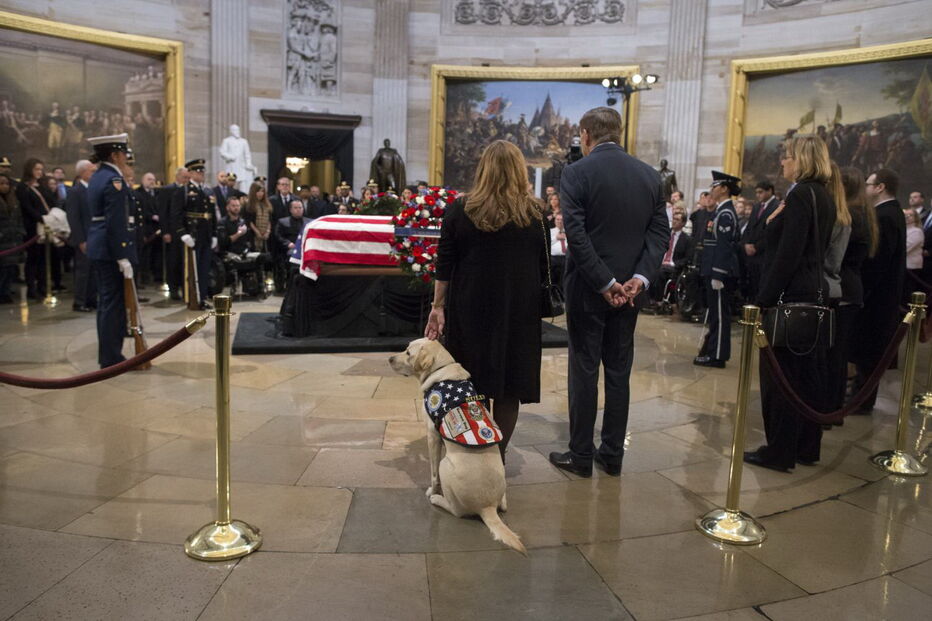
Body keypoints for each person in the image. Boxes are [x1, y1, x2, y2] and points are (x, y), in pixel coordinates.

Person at [548, 106, 668, 477]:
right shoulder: (650, 176)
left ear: (585, 134)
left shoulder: (576, 172)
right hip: (631, 291)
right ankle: (613, 453)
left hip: (588, 288)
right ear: (620, 132)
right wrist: (639, 279)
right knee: (618, 369)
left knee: (584, 368)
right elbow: (659, 233)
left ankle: (581, 455)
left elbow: (577, 235)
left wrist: (604, 282)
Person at [426, 140, 547, 463]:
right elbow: (542, 265)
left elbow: (445, 264)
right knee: (509, 389)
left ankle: (475, 451)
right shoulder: (535, 213)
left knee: (472, 384)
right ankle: (498, 456)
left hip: (471, 310)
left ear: (483, 170)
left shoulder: (460, 210)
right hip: (518, 310)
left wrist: (438, 307)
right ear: (520, 171)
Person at [745, 135, 837, 473]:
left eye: (787, 156)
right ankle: (806, 447)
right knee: (806, 377)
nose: (783, 162)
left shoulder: (800, 195)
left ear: (801, 159)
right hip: (812, 292)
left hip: (789, 296)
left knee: (780, 379)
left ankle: (779, 451)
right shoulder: (824, 196)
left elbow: (788, 254)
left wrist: (763, 299)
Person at [850, 168, 906, 413]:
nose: (866, 188)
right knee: (866, 350)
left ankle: (861, 401)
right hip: (880, 295)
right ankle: (859, 396)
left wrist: (863, 290)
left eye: (869, 184)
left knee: (868, 351)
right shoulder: (891, 212)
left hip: (877, 298)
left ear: (881, 187)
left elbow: (878, 261)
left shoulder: (885, 215)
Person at [827, 168, 877, 418]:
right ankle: (833, 406)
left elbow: (838, 257)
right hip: (851, 288)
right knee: (839, 353)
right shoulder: (862, 213)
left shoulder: (851, 216)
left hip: (845, 289)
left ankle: (831, 408)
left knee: (836, 354)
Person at [85, 133, 137, 368]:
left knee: (107, 302)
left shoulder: (98, 175)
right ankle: (111, 357)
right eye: (124, 153)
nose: (126, 158)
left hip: (99, 245)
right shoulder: (113, 179)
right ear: (115, 155)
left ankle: (109, 354)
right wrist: (121, 254)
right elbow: (115, 221)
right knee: (112, 303)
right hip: (109, 249)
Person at [693, 171, 741, 368]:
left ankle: (718, 355)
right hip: (712, 270)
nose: (712, 189)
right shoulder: (720, 211)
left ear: (724, 189)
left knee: (720, 316)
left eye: (715, 186)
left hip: (718, 272)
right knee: (715, 314)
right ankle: (713, 351)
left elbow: (724, 246)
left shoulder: (726, 213)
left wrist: (719, 273)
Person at [171, 158, 216, 309]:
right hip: (193, 233)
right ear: (190, 173)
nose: (201, 173)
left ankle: (202, 297)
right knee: (192, 268)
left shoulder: (208, 190)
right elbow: (176, 215)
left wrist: (214, 234)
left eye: (203, 171)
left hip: (206, 234)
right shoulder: (183, 190)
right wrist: (183, 233)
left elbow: (212, 214)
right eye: (198, 171)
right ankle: (192, 298)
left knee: (204, 268)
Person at [65, 159, 98, 311]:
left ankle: (91, 299)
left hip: (95, 236)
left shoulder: (93, 189)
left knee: (93, 271)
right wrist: (81, 240)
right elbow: (74, 218)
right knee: (83, 271)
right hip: (84, 237)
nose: (95, 173)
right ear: (83, 173)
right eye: (92, 171)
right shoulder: (75, 191)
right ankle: (79, 301)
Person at [741, 180, 779, 301]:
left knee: (761, 286)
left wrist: (757, 247)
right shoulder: (757, 207)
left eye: (760, 192)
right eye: (756, 192)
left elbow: (771, 232)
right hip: (751, 255)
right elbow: (749, 227)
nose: (758, 195)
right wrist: (746, 243)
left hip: (764, 254)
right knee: (752, 286)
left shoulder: (776, 206)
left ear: (770, 191)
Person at [16, 157, 47, 299]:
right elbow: (27, 207)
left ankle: (43, 286)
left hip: (44, 226)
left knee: (42, 258)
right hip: (31, 227)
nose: (39, 172)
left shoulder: (41, 186)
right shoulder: (23, 187)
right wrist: (41, 218)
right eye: (36, 169)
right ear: (30, 170)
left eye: (41, 169)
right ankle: (31, 288)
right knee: (32, 259)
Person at [159, 166, 189, 300]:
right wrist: (165, 231)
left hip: (185, 232)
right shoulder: (167, 190)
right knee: (173, 261)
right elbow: (163, 212)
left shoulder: (188, 190)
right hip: (172, 231)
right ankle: (173, 288)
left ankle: (185, 287)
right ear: (177, 177)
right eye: (184, 177)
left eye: (188, 178)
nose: (186, 180)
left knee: (184, 261)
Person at [651, 210, 690, 305]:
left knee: (660, 272)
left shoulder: (686, 239)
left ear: (683, 223)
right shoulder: (665, 233)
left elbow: (687, 258)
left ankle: (657, 300)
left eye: (677, 219)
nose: (674, 221)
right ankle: (647, 299)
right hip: (660, 262)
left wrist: (675, 264)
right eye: (673, 219)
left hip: (674, 266)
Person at [0, 173, 23, 303]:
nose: (5, 186)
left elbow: (19, 219)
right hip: (2, 239)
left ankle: (5, 292)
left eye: (7, 184)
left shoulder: (14, 201)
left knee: (10, 268)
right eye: (2, 183)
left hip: (13, 239)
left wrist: (20, 231)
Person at [275, 198, 310, 283]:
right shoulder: (282, 222)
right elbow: (278, 235)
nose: (298, 210)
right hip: (290, 248)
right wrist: (288, 243)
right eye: (296, 208)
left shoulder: (309, 222)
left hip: (305, 248)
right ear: (290, 210)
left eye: (300, 207)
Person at [134, 171, 160, 287]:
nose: (152, 182)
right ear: (143, 180)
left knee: (155, 254)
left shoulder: (156, 193)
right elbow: (139, 212)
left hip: (156, 228)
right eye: (149, 179)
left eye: (153, 179)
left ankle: (155, 275)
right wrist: (151, 216)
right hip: (145, 227)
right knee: (143, 255)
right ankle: (143, 277)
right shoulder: (138, 193)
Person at [245, 180, 274, 253]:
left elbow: (270, 220)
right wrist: (257, 232)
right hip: (253, 236)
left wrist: (267, 231)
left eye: (262, 191)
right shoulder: (248, 205)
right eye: (258, 191)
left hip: (266, 236)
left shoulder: (267, 205)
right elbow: (249, 221)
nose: (261, 194)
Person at [905, 208, 924, 287]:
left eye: (911, 215)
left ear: (915, 218)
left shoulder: (917, 231)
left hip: (911, 266)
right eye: (905, 215)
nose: (907, 216)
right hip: (905, 266)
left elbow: (906, 248)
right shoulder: (905, 230)